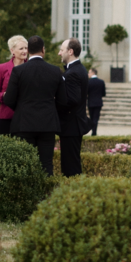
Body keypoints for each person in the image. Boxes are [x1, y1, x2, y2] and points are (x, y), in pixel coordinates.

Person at [2, 35, 66, 175]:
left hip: (24, 123)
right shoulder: (55, 70)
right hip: (48, 124)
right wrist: (50, 108)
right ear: (43, 50)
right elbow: (63, 101)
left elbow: (9, 99)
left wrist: (21, 108)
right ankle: (47, 189)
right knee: (46, 164)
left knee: (25, 164)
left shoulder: (18, 71)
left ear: (28, 50)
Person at [56, 38, 88, 176]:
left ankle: (74, 189)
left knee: (70, 167)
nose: (59, 53)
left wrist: (54, 101)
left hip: (71, 125)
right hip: (73, 125)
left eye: (61, 50)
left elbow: (73, 99)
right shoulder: (78, 69)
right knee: (71, 164)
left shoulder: (73, 72)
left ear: (70, 52)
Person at [0, 36, 28, 136]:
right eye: (21, 48)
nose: (25, 51)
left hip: (27, 117)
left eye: (26, 48)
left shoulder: (31, 67)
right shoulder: (1, 68)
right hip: (7, 117)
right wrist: (4, 95)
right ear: (12, 51)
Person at [87, 67, 105, 136]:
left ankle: (93, 131)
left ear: (93, 73)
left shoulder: (89, 82)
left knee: (92, 118)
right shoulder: (101, 82)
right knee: (96, 118)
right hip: (98, 102)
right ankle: (94, 132)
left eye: (89, 72)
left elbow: (86, 93)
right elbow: (103, 93)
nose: (88, 74)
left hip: (91, 102)